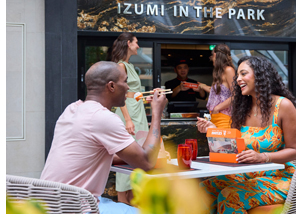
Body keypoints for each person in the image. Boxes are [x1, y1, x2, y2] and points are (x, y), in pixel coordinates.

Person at [40, 61, 168, 214]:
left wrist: (131, 155)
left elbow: (88, 154)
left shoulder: (72, 109)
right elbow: (147, 162)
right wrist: (157, 113)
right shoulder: (103, 118)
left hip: (47, 204)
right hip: (74, 208)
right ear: (111, 86)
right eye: (125, 81)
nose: (128, 87)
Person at [196, 56, 296, 214]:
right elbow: (232, 148)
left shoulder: (283, 106)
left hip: (278, 177)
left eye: (243, 74)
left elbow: (294, 150)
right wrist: (212, 130)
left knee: (230, 196)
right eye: (237, 75)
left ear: (259, 75)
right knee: (203, 190)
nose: (238, 79)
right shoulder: (242, 109)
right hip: (246, 174)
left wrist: (263, 157)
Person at [110, 32, 150, 204]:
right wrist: (127, 119)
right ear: (128, 43)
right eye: (136, 42)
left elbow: (130, 93)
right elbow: (119, 95)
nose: (138, 46)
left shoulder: (128, 65)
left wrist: (144, 96)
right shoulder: (121, 66)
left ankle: (133, 207)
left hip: (137, 113)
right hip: (130, 116)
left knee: (137, 159)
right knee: (127, 158)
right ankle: (123, 206)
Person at [199, 44, 235, 128]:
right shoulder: (219, 73)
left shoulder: (229, 70)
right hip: (214, 117)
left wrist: (217, 108)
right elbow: (219, 93)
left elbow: (235, 95)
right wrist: (202, 86)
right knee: (214, 141)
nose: (211, 58)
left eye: (212, 55)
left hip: (224, 117)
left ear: (217, 55)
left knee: (223, 141)